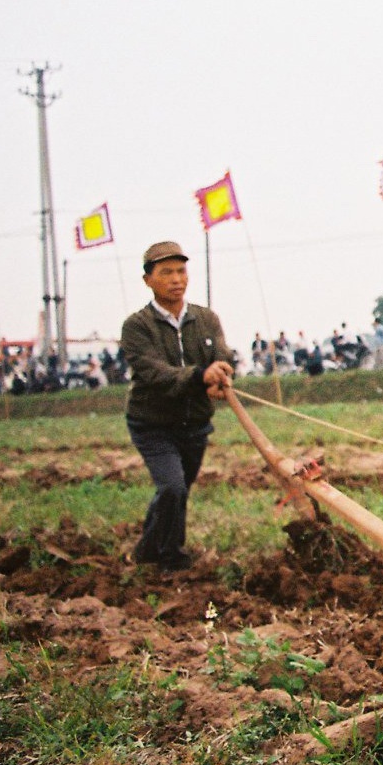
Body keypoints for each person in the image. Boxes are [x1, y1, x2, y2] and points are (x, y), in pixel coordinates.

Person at [119, 241, 236, 570]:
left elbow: (222, 353)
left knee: (177, 491)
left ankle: (146, 551)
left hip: (194, 423)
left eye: (181, 271)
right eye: (166, 272)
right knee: (172, 487)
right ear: (148, 280)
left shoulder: (206, 318)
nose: (176, 279)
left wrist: (221, 373)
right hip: (153, 423)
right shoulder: (137, 326)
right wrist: (200, 376)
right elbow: (154, 372)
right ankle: (171, 558)